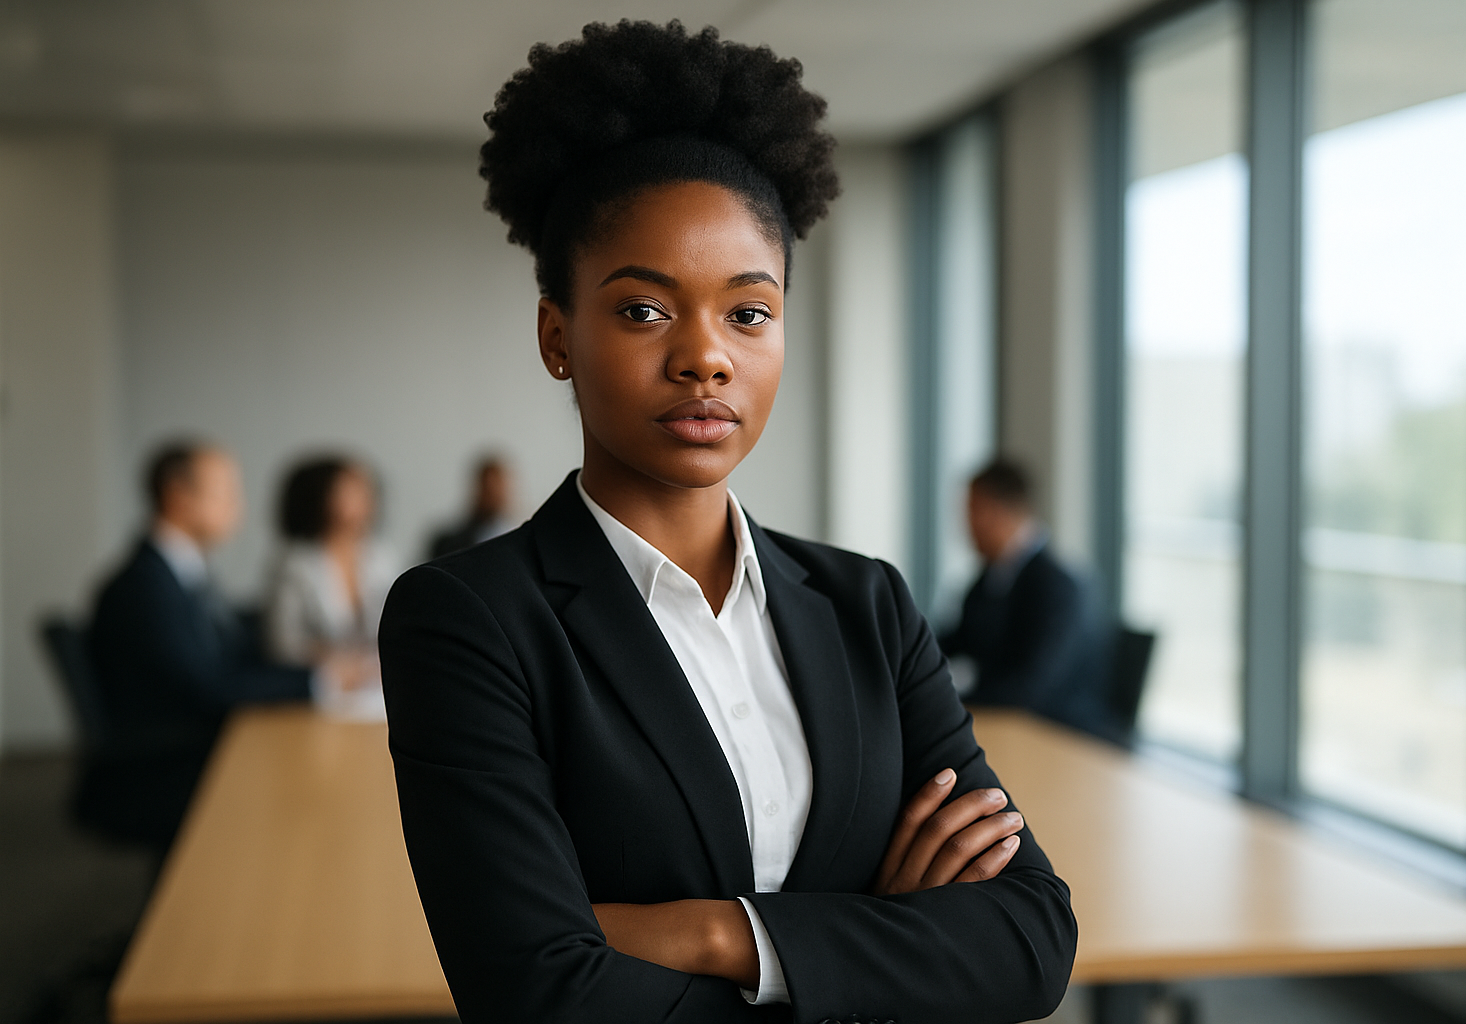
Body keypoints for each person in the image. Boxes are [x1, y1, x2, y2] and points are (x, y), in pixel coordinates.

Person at [379, 21, 1075, 1024]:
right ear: (556, 336)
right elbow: (535, 991)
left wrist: (719, 935)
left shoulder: (866, 604)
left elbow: (1031, 939)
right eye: (643, 311)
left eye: (748, 313)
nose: (706, 358)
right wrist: (878, 936)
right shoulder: (469, 619)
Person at [88, 442, 361, 852]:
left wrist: (316, 664)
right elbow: (206, 687)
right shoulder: (145, 586)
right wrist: (318, 681)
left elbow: (230, 652)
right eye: (227, 493)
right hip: (166, 766)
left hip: (189, 745)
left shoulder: (181, 570)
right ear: (179, 497)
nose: (239, 506)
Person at [940, 459, 1113, 739]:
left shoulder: (1056, 587)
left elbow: (1031, 687)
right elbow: (958, 640)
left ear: (1001, 512)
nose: (965, 525)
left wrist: (951, 702)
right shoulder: (990, 577)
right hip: (1009, 725)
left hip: (1059, 735)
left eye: (973, 510)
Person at [266, 456, 397, 673]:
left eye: (366, 490)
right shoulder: (294, 564)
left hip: (375, 680)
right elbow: (282, 644)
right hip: (316, 683)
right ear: (319, 497)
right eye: (350, 492)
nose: (365, 500)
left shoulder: (381, 556)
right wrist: (339, 664)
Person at [427, 455, 516, 559]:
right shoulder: (448, 544)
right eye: (487, 490)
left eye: (497, 489)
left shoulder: (519, 543)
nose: (491, 496)